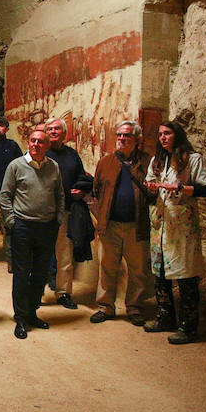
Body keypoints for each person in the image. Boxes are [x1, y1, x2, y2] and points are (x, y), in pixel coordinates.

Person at [143, 121, 206, 344]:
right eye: (160, 134)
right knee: (160, 272)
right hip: (161, 223)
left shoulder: (193, 159)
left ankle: (188, 326)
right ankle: (165, 317)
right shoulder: (158, 161)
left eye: (168, 133)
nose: (163, 138)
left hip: (182, 225)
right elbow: (151, 184)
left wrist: (181, 188)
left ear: (177, 135)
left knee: (186, 275)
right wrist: (151, 187)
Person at [0, 128, 64, 340]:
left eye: (41, 142)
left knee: (40, 273)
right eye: (33, 141)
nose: (36, 144)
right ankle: (20, 317)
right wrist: (12, 223)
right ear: (28, 142)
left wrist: (58, 219)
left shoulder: (53, 166)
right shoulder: (16, 166)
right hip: (23, 227)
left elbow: (59, 195)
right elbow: (5, 196)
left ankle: (32, 312)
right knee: (21, 272)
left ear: (47, 145)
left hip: (46, 227)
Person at [89, 120, 154, 326]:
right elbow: (97, 190)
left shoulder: (147, 162)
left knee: (138, 269)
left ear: (137, 140)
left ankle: (134, 307)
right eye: (119, 135)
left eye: (126, 136)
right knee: (108, 266)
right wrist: (100, 220)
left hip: (137, 224)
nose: (121, 139)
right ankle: (105, 307)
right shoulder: (106, 162)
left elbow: (153, 190)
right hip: (111, 224)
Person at [45, 117, 91, 310]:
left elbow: (82, 177)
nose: (53, 132)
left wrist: (81, 190)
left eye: (57, 129)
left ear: (64, 133)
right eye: (50, 129)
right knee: (37, 254)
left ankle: (63, 293)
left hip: (65, 211)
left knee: (64, 255)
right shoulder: (39, 151)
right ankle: (34, 292)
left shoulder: (72, 155)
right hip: (42, 213)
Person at [0, 117, 23, 273]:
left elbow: (21, 166)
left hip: (9, 192)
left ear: (6, 129)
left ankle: (12, 261)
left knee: (10, 226)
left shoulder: (12, 147)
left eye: (1, 126)